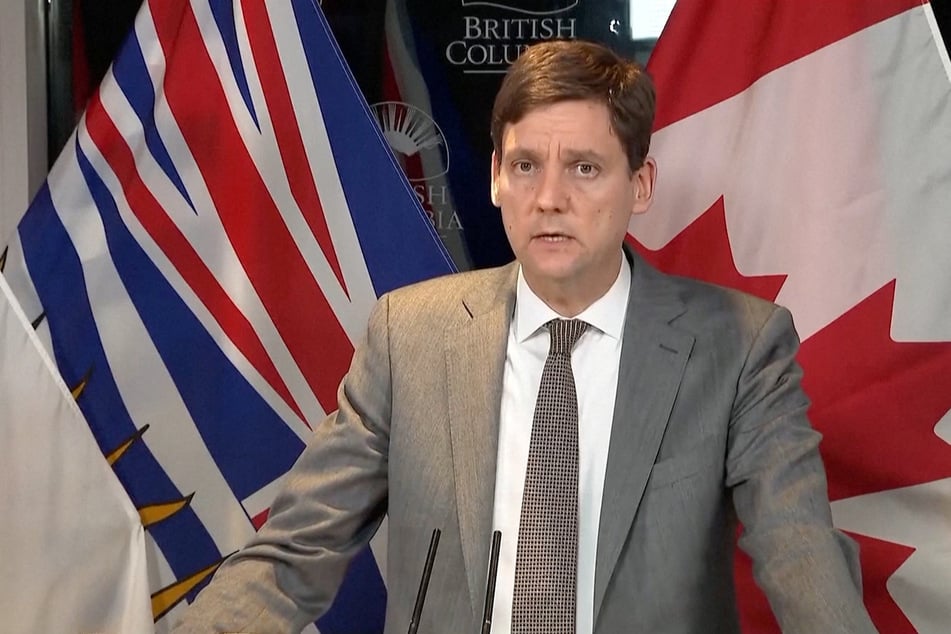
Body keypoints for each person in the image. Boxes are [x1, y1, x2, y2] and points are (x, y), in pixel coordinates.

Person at [174, 39, 877, 633]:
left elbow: (800, 552)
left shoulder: (741, 345)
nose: (548, 199)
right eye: (525, 166)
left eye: (584, 168)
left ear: (639, 185)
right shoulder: (407, 335)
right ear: (494, 179)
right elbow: (293, 557)